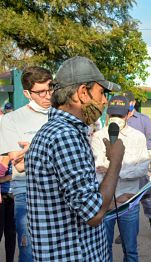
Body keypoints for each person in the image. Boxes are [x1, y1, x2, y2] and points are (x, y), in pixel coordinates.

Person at [25, 56, 125, 260]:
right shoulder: (65, 136)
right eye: (101, 92)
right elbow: (94, 214)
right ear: (82, 93)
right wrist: (115, 161)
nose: (105, 100)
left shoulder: (60, 131)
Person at [0, 66, 53, 262]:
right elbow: (20, 165)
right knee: (29, 253)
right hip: (28, 195)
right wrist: (50, 149)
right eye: (40, 92)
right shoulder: (12, 120)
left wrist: (33, 148)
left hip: (58, 193)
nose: (47, 96)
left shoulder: (60, 115)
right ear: (27, 93)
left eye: (50, 89)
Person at [92, 95, 150, 261]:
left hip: (129, 201)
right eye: (113, 115)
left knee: (130, 249)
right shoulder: (98, 136)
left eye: (121, 115)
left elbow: (142, 168)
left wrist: (116, 171)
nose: (116, 119)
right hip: (105, 202)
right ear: (107, 114)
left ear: (129, 114)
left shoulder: (138, 137)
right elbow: (97, 170)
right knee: (104, 248)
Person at [121, 91, 151, 241]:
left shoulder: (143, 120)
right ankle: (125, 232)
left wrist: (137, 148)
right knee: (125, 200)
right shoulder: (118, 119)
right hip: (122, 167)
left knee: (146, 199)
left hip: (139, 166)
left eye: (127, 102)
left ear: (132, 103)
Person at [0, 157, 16, 262]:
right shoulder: (4, 157)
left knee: (11, 234)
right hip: (1, 198)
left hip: (14, 197)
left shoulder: (17, 155)